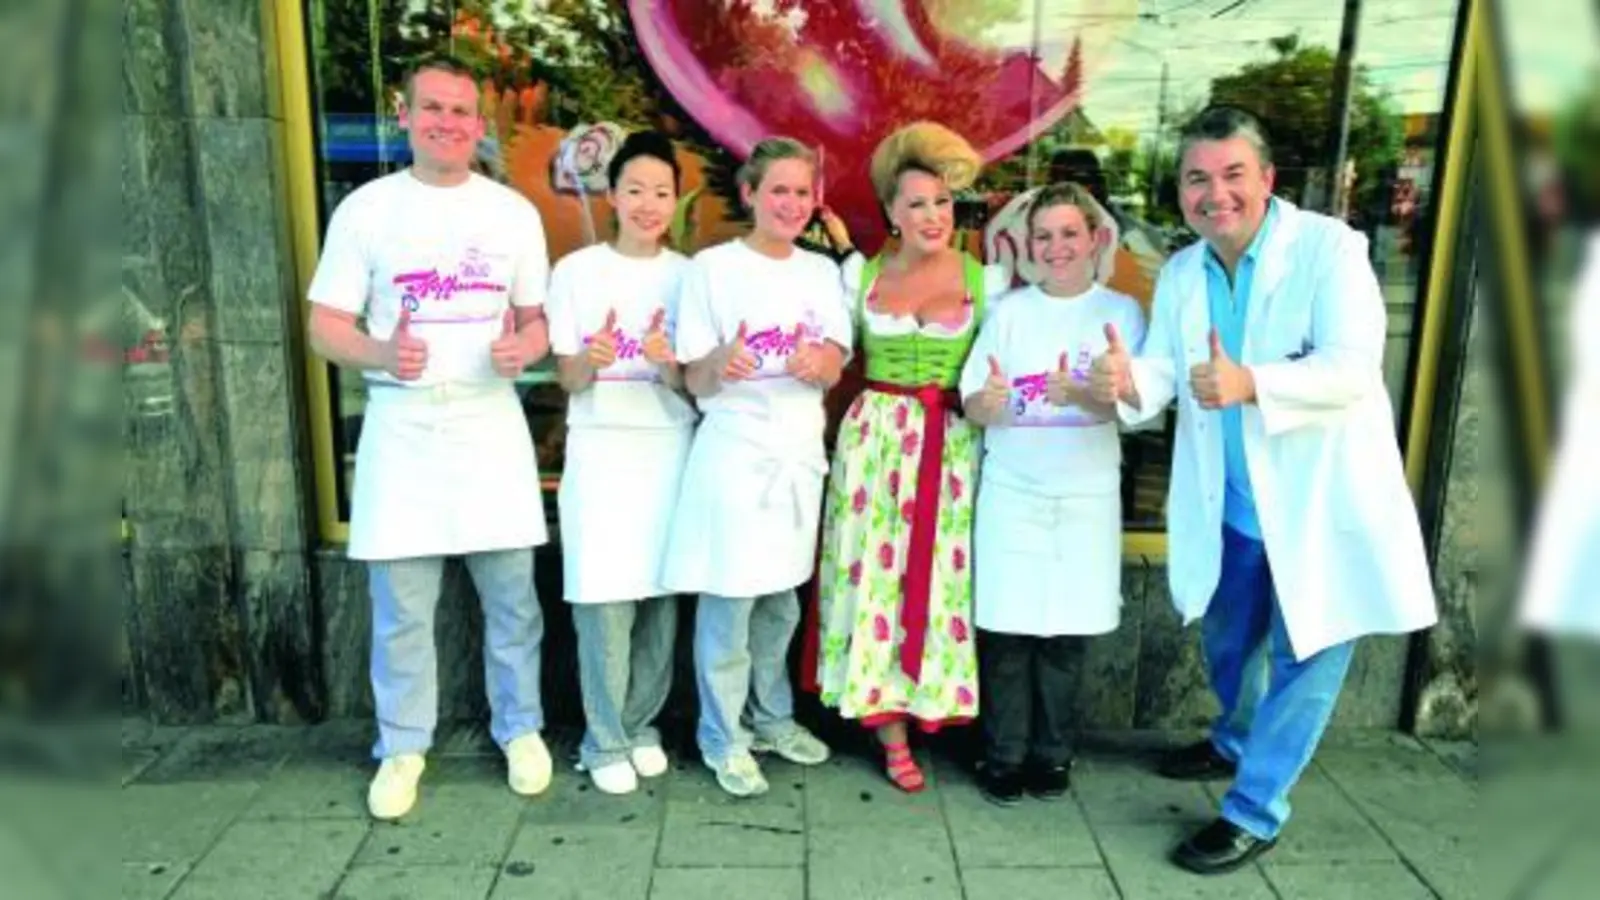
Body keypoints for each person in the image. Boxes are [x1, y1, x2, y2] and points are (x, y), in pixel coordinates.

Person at [1090, 106, 1437, 873]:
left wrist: (1252, 382)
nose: (1216, 194)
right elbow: (1162, 375)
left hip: (1320, 506)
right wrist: (1123, 380)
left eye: (1232, 174)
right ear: (1181, 192)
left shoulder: (1329, 250)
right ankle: (1234, 738)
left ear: (1268, 178)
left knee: (1305, 653)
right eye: (1197, 179)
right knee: (1226, 640)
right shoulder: (1183, 271)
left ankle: (1255, 807)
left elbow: (1351, 367)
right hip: (1237, 512)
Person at [305, 55, 555, 820]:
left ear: (480, 126)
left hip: (489, 426)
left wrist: (528, 347)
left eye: (461, 111)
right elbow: (324, 327)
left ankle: (522, 730)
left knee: (513, 599)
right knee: (403, 608)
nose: (447, 122)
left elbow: (536, 319)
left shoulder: (512, 214)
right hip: (403, 430)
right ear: (404, 117)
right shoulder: (367, 211)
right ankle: (403, 745)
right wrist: (382, 353)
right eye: (433, 108)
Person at [810, 121, 1007, 793]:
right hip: (873, 446)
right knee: (873, 577)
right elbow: (831, 345)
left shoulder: (990, 281)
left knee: (942, 579)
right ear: (891, 214)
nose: (932, 215)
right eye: (916, 203)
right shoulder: (858, 276)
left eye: (943, 202)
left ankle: (934, 703)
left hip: (950, 446)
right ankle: (886, 724)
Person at [662, 137, 852, 797]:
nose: (792, 204)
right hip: (737, 459)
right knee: (731, 609)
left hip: (796, 459)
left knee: (781, 607)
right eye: (779, 190)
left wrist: (816, 365)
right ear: (749, 193)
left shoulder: (821, 273)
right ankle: (723, 736)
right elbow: (692, 375)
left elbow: (835, 358)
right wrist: (722, 362)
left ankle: (771, 719)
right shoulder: (711, 269)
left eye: (802, 192)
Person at [959, 182, 1145, 806]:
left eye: (1070, 233)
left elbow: (1137, 406)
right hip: (1013, 489)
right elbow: (975, 399)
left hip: (1085, 494)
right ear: (1027, 246)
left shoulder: (1122, 314)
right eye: (1045, 236)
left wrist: (1092, 395)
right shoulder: (1009, 312)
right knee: (1008, 634)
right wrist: (985, 402)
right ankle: (1003, 753)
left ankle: (1053, 754)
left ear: (1095, 239)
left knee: (1067, 635)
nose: (1057, 247)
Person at [545, 131, 695, 795]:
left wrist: (667, 364)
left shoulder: (691, 277)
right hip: (602, 455)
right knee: (604, 601)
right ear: (612, 195)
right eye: (634, 190)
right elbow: (567, 379)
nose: (647, 203)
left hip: (669, 453)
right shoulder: (576, 274)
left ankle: (640, 724)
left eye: (661, 192)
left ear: (675, 201)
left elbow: (698, 386)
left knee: (660, 598)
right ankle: (601, 738)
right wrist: (592, 358)